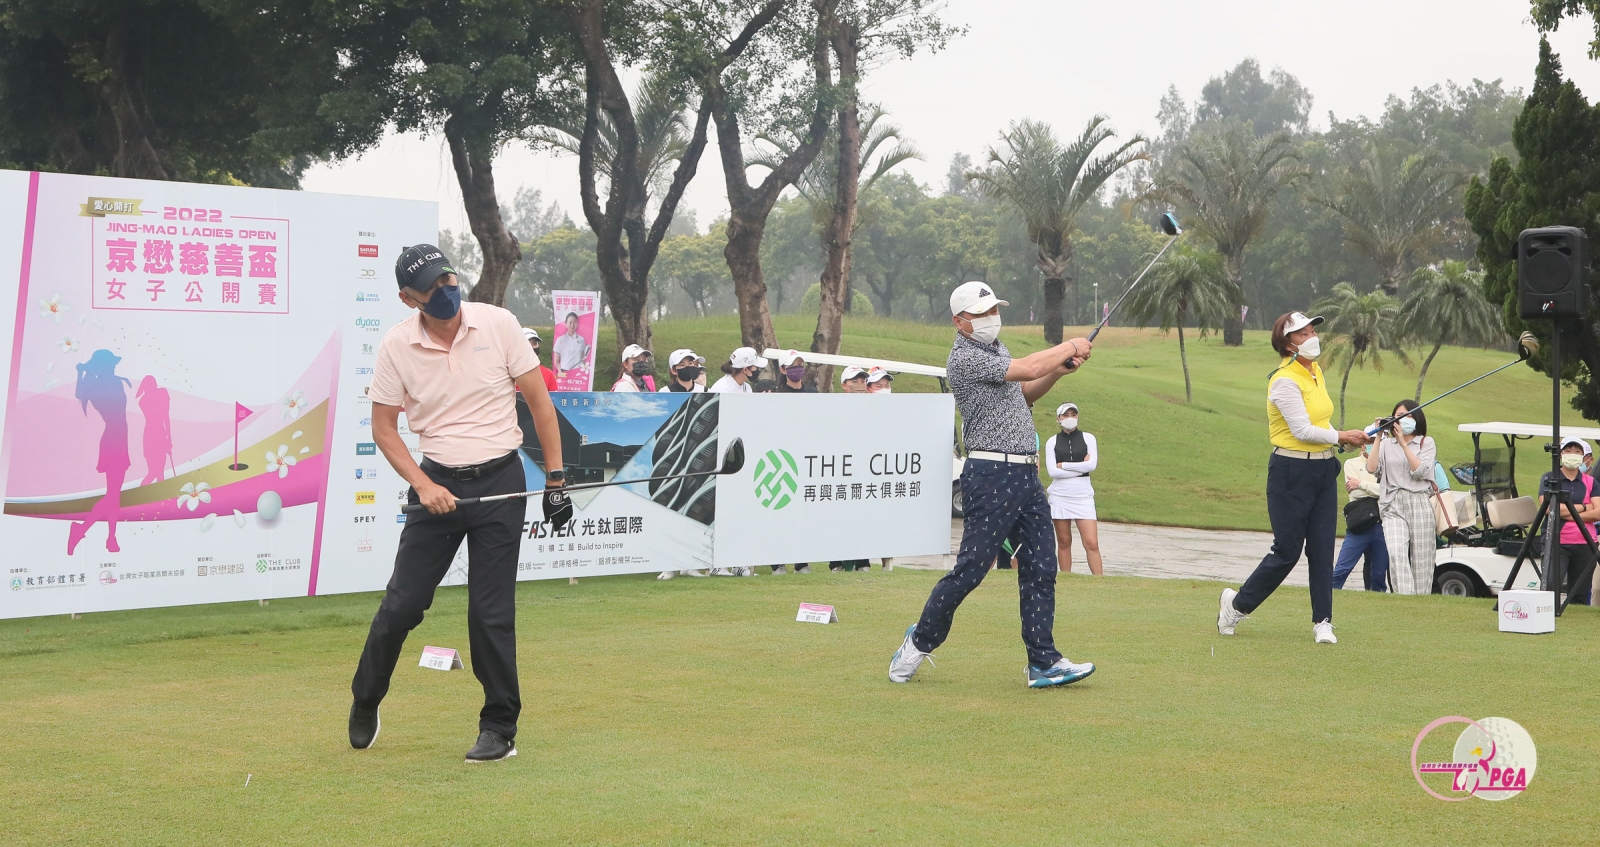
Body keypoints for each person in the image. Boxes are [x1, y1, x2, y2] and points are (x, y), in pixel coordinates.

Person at [349, 243, 571, 763]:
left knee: (490, 611)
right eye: (432, 286)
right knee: (403, 604)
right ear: (409, 298)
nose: (447, 289)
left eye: (450, 277)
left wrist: (556, 480)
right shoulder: (396, 346)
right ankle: (365, 697)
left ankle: (499, 728)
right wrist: (423, 486)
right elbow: (384, 427)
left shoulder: (498, 324)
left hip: (500, 479)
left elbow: (540, 404)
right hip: (438, 484)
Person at [889, 280, 1097, 689]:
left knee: (1040, 567)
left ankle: (1044, 662)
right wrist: (1069, 346)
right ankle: (918, 642)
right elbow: (1031, 366)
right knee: (970, 570)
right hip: (990, 475)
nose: (990, 319)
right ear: (959, 322)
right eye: (980, 314)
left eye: (992, 310)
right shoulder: (963, 358)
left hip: (1025, 475)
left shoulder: (995, 350)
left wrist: (1059, 370)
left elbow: (1026, 390)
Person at [1217, 312, 1369, 645]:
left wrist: (1347, 436)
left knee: (1321, 548)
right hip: (1291, 471)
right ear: (1288, 343)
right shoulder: (1284, 379)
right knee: (1287, 551)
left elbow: (1321, 423)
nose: (1313, 336)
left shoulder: (1314, 371)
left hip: (1323, 469)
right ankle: (1236, 605)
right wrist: (1342, 435)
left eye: (1313, 330)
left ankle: (1323, 622)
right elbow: (1300, 430)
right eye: (1304, 333)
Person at [1366, 399, 1438, 596]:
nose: (1401, 420)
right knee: (1397, 552)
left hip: (1419, 502)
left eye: (1407, 416)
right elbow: (1372, 468)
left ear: (1416, 419)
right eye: (1397, 416)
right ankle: (1404, 598)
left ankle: (1420, 602)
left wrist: (1404, 445)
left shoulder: (1426, 442)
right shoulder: (1386, 445)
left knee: (1422, 559)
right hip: (1393, 503)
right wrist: (1379, 437)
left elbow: (1421, 471)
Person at [67, 349, 133, 555]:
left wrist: (82, 373)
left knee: (114, 495)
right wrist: (83, 373)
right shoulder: (109, 384)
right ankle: (88, 531)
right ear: (104, 366)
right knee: (113, 494)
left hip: (117, 440)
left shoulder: (101, 384)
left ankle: (108, 537)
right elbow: (83, 393)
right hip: (115, 441)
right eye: (111, 364)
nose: (114, 367)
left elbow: (81, 392)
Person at [1540, 436, 1600, 605]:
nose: (1572, 454)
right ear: (1560, 454)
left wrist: (1567, 511)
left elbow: (1598, 512)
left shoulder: (1590, 482)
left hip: (1585, 542)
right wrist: (1584, 506)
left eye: (1577, 451)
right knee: (1551, 585)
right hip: (1557, 540)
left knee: (1580, 592)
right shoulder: (1550, 478)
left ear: (1583, 456)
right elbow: (1549, 508)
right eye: (1568, 451)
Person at [1043, 402, 1102, 575]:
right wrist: (1079, 466)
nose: (1070, 418)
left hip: (1083, 495)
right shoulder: (1052, 441)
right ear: (1058, 419)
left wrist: (1064, 466)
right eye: (1066, 415)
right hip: (1060, 495)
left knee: (1091, 542)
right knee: (1064, 540)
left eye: (1073, 414)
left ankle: (1100, 580)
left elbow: (1091, 466)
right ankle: (1066, 578)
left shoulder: (1088, 438)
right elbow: (1053, 471)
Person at [1331, 441, 1389, 592]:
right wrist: (1377, 490)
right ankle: (1326, 599)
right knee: (1341, 570)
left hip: (1382, 524)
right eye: (1370, 443)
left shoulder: (1389, 465)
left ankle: (1375, 607)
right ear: (1363, 445)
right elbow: (1354, 492)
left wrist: (1361, 484)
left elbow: (1389, 492)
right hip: (1360, 523)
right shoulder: (1352, 463)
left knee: (1378, 575)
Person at [135, 374, 172, 487]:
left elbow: (165, 416)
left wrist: (168, 439)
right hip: (152, 436)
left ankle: (159, 497)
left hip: (159, 434)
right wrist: (168, 439)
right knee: (155, 472)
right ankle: (142, 492)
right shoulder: (144, 401)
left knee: (160, 472)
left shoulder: (160, 394)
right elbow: (164, 416)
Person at [552, 311, 590, 377]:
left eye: (575, 322)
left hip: (578, 372)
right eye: (570, 322)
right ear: (566, 324)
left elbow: (583, 357)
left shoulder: (581, 339)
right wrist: (560, 371)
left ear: (577, 324)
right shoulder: (560, 340)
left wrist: (584, 370)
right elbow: (556, 360)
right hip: (564, 372)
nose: (572, 325)